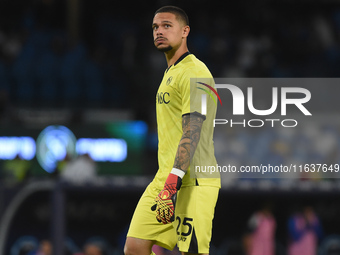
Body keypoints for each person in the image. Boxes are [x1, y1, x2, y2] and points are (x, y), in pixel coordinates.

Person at [124, 5, 220, 255]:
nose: (159, 31)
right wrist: (166, 182)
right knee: (134, 247)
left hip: (192, 182)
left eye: (167, 25)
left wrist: (172, 182)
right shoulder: (171, 73)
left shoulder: (195, 72)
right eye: (155, 27)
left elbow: (193, 131)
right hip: (164, 179)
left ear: (185, 31)